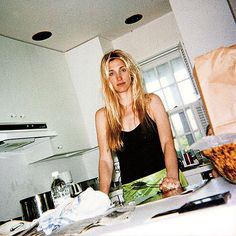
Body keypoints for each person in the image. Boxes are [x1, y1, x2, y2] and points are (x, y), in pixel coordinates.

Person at [95, 49, 187, 203]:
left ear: (130, 72)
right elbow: (105, 160)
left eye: (122, 70)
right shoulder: (102, 117)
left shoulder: (152, 102)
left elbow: (167, 143)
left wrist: (171, 178)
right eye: (111, 73)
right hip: (133, 193)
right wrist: (101, 199)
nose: (118, 77)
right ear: (107, 80)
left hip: (165, 181)